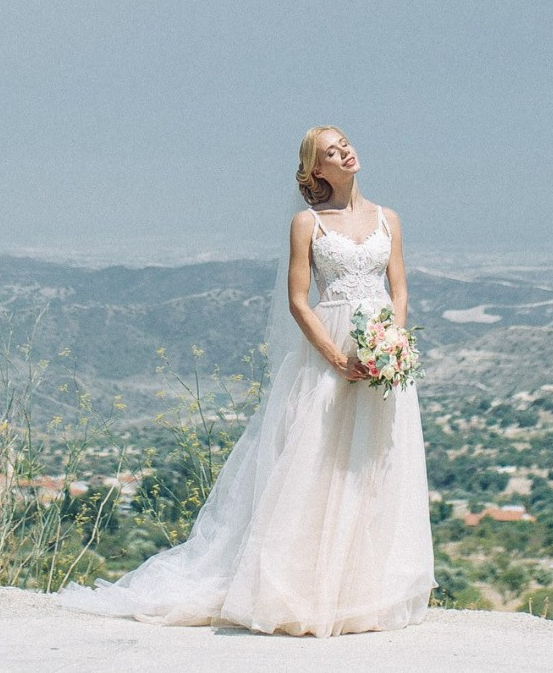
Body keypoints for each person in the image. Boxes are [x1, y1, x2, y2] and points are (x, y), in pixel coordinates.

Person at [59, 125, 433, 635]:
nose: (344, 151)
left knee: (374, 466)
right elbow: (299, 300)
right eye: (329, 151)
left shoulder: (388, 218)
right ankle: (303, 592)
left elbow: (400, 287)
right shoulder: (308, 224)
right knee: (317, 464)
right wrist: (336, 357)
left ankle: (361, 596)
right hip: (332, 348)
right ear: (315, 170)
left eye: (343, 142)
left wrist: (392, 341)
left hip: (382, 352)